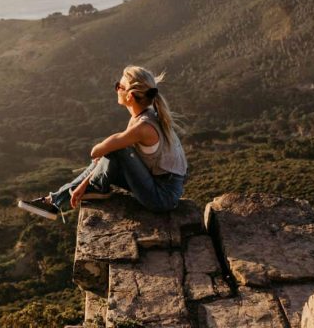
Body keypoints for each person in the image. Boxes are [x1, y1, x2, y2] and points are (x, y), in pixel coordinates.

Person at [18, 65, 188, 222]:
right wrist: (83, 185)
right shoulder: (149, 115)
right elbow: (105, 157)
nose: (116, 89)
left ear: (129, 96)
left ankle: (64, 198)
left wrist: (112, 141)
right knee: (113, 153)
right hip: (159, 184)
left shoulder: (143, 127)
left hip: (161, 197)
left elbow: (96, 151)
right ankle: (54, 201)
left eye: (118, 86)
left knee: (117, 150)